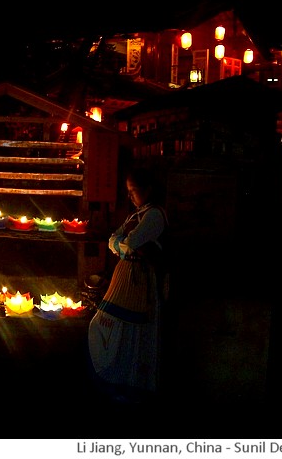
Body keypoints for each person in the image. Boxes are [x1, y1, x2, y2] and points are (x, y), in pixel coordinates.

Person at [87, 166, 169, 404]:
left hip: (139, 283)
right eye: (128, 191)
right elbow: (114, 239)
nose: (130, 196)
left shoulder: (154, 215)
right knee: (111, 328)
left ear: (148, 189)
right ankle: (118, 380)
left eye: (134, 191)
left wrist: (124, 245)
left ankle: (131, 385)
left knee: (132, 333)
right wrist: (124, 245)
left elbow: (129, 243)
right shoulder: (137, 214)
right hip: (125, 277)